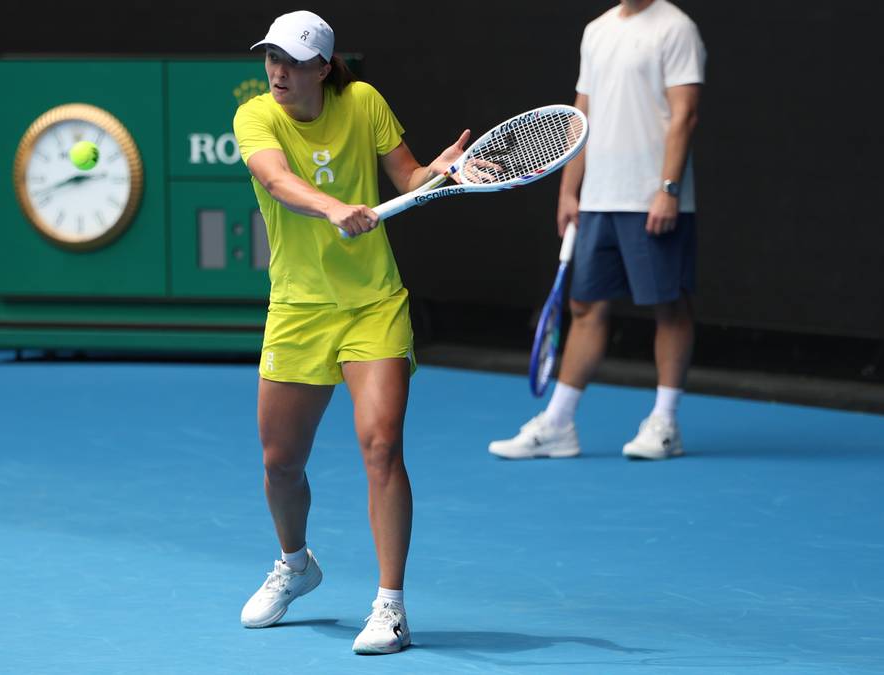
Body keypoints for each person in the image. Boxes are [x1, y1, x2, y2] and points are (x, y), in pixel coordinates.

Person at [233, 9, 469, 655]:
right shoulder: (256, 115)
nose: (278, 70)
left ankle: (390, 607)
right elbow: (278, 181)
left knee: (381, 446)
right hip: (300, 309)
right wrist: (335, 206)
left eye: (293, 60)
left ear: (323, 67)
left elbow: (409, 180)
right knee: (281, 465)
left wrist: (437, 173)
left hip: (373, 304)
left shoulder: (363, 103)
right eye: (271, 57)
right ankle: (295, 564)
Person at [489, 0, 705, 461]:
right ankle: (559, 424)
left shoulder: (676, 28)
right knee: (585, 307)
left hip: (652, 196)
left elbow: (684, 114)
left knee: (670, 306)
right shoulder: (597, 30)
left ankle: (665, 423)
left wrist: (667, 188)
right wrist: (570, 190)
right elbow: (580, 115)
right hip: (599, 198)